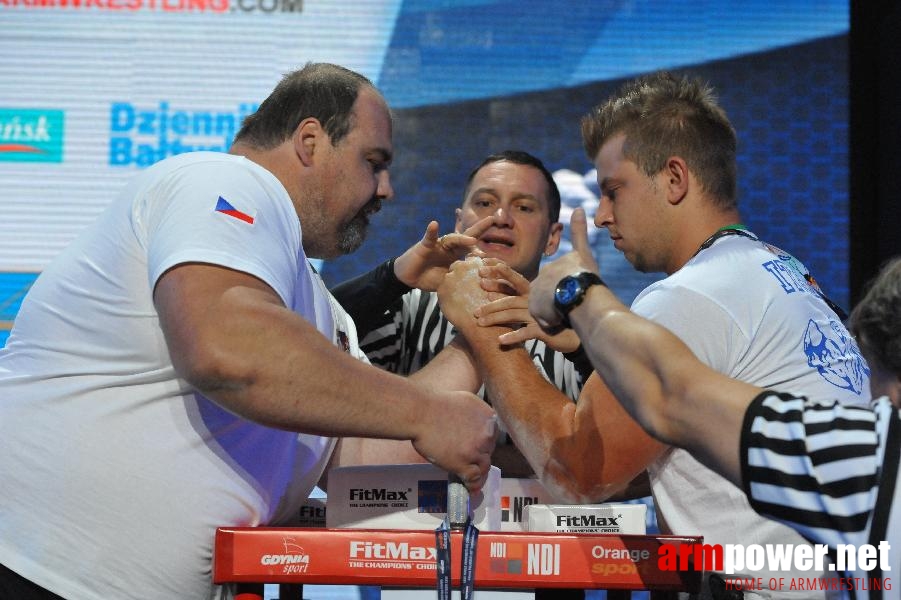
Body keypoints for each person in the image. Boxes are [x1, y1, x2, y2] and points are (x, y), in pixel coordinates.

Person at [0, 63, 497, 600]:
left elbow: (356, 457)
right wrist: (427, 413)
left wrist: (482, 331)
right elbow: (228, 349)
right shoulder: (222, 181)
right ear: (310, 141)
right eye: (373, 162)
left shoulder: (317, 308)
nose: (387, 189)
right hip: (31, 572)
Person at [437, 71, 870, 599]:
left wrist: (482, 323)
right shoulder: (780, 272)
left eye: (614, 190)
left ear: (673, 179)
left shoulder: (691, 296)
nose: (601, 215)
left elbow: (578, 473)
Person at [527, 210, 901, 594]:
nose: (873, 407)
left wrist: (578, 295)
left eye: (879, 388)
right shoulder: (861, 455)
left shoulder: (864, 457)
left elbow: (672, 397)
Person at [332, 150, 597, 477]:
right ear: (460, 221)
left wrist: (585, 346)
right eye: (485, 203)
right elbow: (314, 339)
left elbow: (609, 450)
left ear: (552, 238)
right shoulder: (412, 308)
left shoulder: (572, 333)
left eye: (524, 207)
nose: (501, 217)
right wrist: (394, 276)